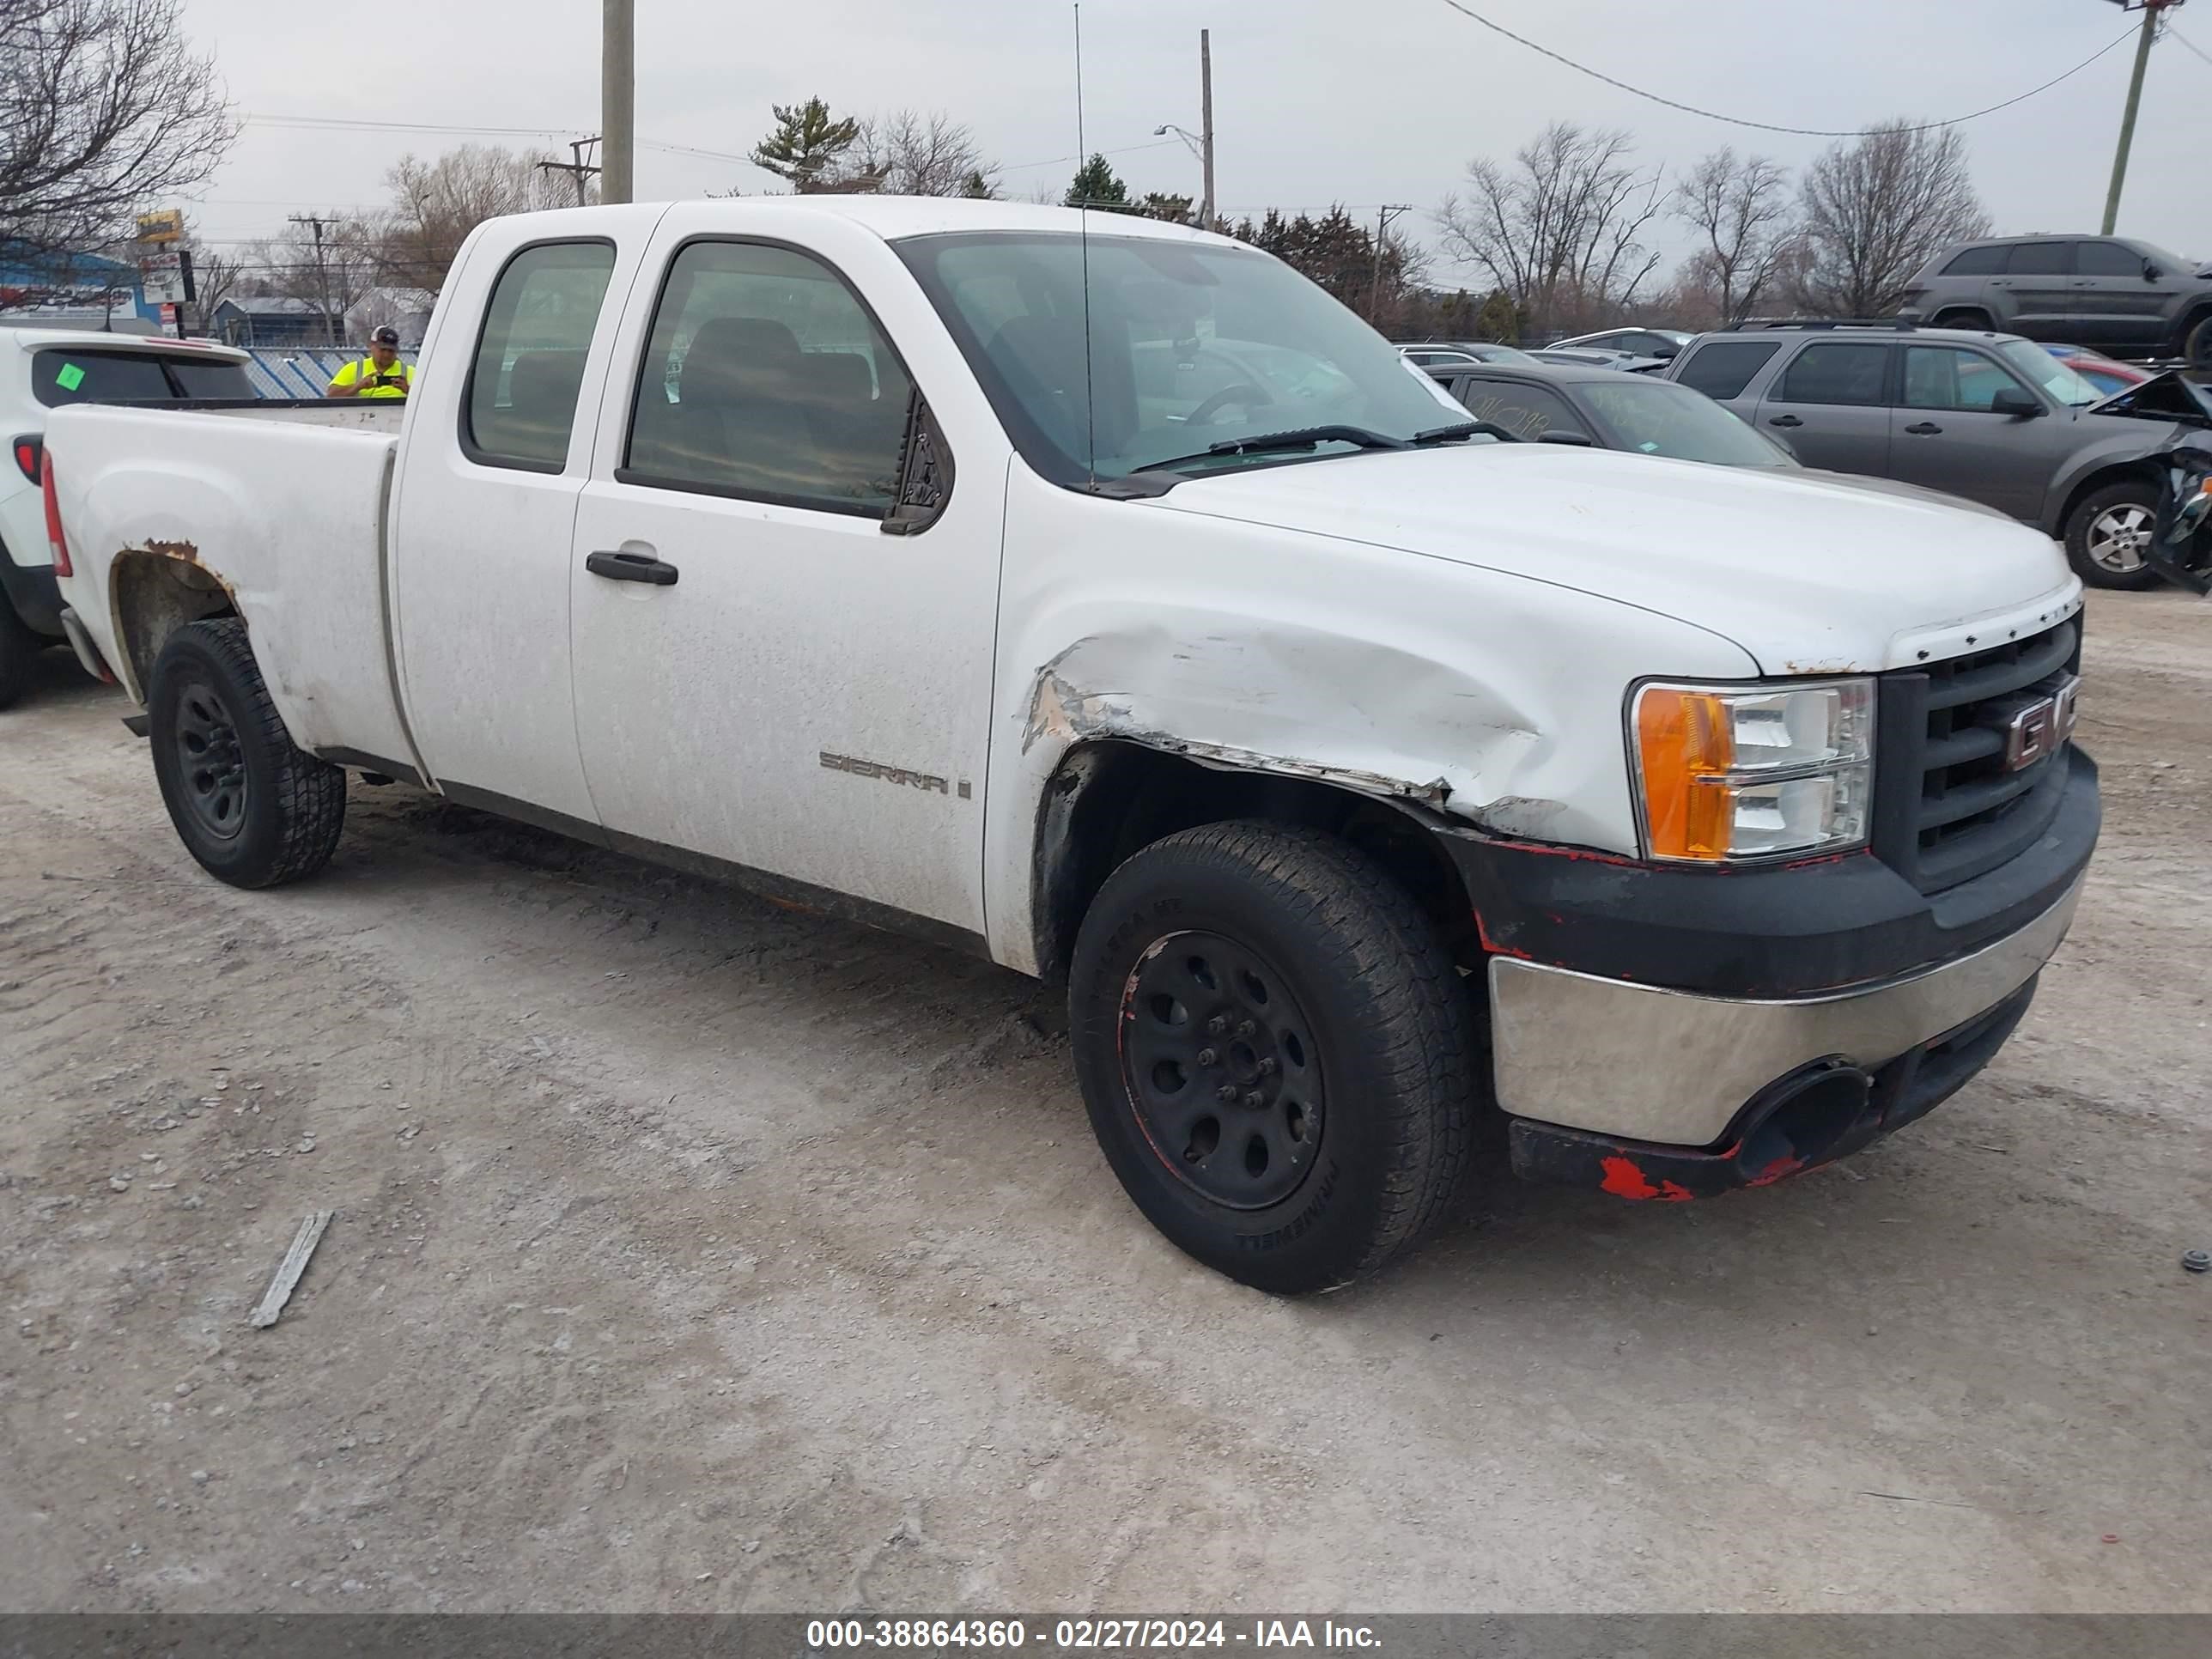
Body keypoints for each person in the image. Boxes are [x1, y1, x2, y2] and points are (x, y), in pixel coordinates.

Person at [327, 326, 414, 398]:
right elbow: (331, 395)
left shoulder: (410, 372)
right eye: (382, 349)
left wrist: (408, 390)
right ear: (372, 346)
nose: (386, 355)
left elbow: (426, 402)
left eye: (391, 351)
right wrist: (358, 387)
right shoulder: (354, 369)